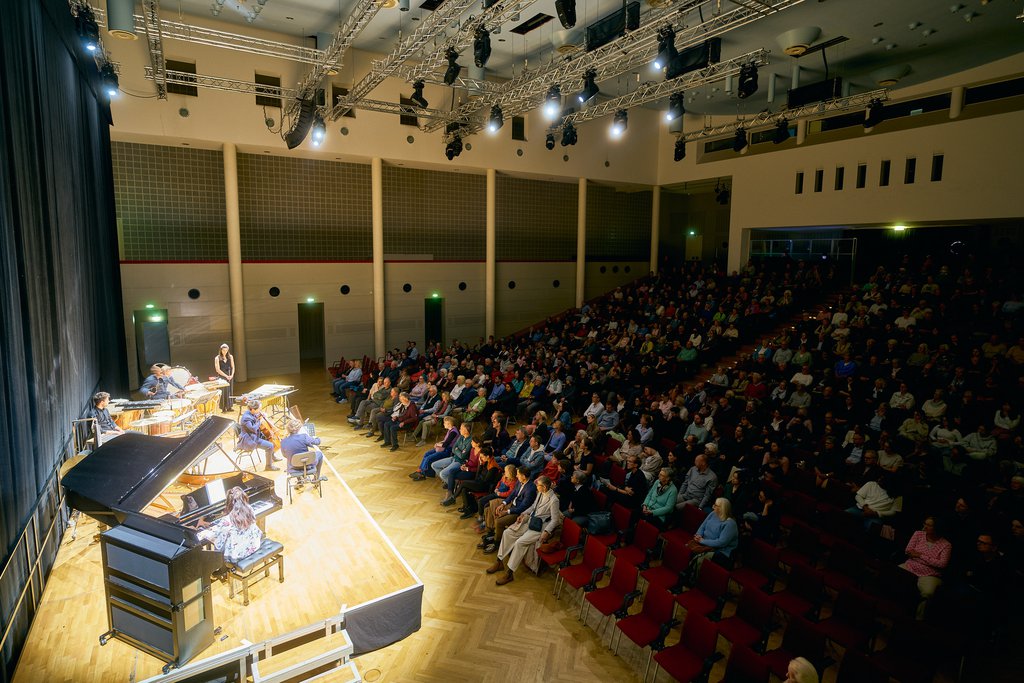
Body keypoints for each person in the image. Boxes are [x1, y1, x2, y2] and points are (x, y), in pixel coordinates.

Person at [487, 475, 562, 585]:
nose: (536, 486)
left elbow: (555, 520)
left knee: (519, 543)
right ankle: (499, 562)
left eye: (538, 485)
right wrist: (523, 513)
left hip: (539, 527)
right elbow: (533, 507)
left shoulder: (554, 500)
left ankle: (509, 574)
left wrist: (547, 532)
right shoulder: (540, 493)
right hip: (530, 521)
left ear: (544, 487)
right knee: (508, 533)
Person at [899, 516, 952, 619]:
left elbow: (942, 564)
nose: (925, 526)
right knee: (893, 574)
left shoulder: (946, 545)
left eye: (929, 525)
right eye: (925, 524)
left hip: (930, 574)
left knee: (928, 593)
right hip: (910, 566)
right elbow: (908, 550)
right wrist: (931, 560)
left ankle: (918, 620)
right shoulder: (918, 534)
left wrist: (920, 555)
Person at [197, 486, 263, 565]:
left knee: (219, 541)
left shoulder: (227, 520)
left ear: (228, 502)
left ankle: (220, 568)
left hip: (237, 555)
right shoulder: (250, 509)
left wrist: (201, 533)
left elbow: (217, 536)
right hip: (253, 546)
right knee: (227, 536)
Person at [687, 498, 739, 570]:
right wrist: (698, 535)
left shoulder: (730, 524)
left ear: (722, 508)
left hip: (720, 551)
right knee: (686, 549)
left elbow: (721, 543)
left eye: (715, 505)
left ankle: (690, 578)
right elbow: (703, 526)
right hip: (704, 542)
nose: (712, 507)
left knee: (699, 559)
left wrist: (702, 541)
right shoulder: (713, 513)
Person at [238, 399, 279, 472]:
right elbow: (253, 429)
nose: (260, 410)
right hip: (249, 440)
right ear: (253, 409)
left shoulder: (250, 412)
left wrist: (261, 415)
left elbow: (255, 416)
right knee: (270, 446)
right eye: (259, 409)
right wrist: (260, 421)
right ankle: (268, 466)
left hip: (254, 435)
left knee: (269, 439)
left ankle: (272, 457)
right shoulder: (246, 418)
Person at [214, 344, 235, 412]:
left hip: (229, 376)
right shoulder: (217, 358)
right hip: (222, 377)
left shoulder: (230, 357)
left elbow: (233, 367)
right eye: (223, 350)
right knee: (223, 392)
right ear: (221, 350)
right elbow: (218, 370)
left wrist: (231, 375)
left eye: (226, 350)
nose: (225, 352)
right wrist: (226, 376)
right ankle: (223, 408)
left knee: (229, 391)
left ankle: (229, 406)